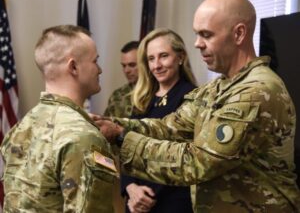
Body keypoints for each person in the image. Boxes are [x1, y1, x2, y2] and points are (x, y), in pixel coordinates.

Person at [95, 0, 300, 212]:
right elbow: (169, 127)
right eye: (196, 34)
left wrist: (120, 137)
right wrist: (110, 124)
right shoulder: (215, 89)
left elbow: (197, 163)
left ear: (239, 33)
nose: (197, 44)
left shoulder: (257, 91)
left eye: (206, 35)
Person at [0, 25, 118, 212]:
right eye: (95, 61)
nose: (100, 69)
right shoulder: (84, 137)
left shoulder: (20, 128)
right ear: (73, 67)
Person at [122, 28, 197, 213]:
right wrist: (130, 188)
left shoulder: (192, 97)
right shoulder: (142, 99)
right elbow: (125, 147)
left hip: (172, 201)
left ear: (180, 57)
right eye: (151, 59)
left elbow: (186, 157)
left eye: (164, 56)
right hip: (135, 201)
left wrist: (146, 197)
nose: (157, 65)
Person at [104, 41, 140, 117]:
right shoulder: (117, 96)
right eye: (124, 66)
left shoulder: (157, 94)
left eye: (132, 65)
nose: (127, 70)